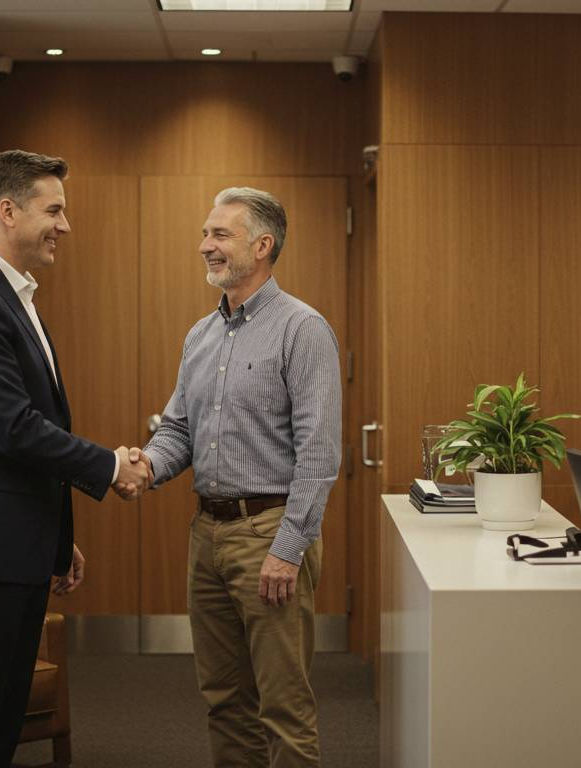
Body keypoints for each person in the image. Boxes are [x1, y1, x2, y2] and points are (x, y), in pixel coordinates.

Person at [0, 149, 152, 766]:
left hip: (8, 543)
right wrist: (108, 465)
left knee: (1, 722)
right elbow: (12, 428)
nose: (65, 226)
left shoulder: (11, 293)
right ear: (8, 210)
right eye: (55, 211)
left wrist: (53, 536)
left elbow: (28, 429)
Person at [132, 187, 341, 767]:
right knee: (224, 701)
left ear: (263, 245)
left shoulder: (303, 330)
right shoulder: (199, 337)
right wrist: (146, 466)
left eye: (220, 235)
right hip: (208, 536)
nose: (205, 246)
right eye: (205, 234)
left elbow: (320, 453)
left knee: (284, 707)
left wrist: (288, 548)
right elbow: (178, 430)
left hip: (268, 536)